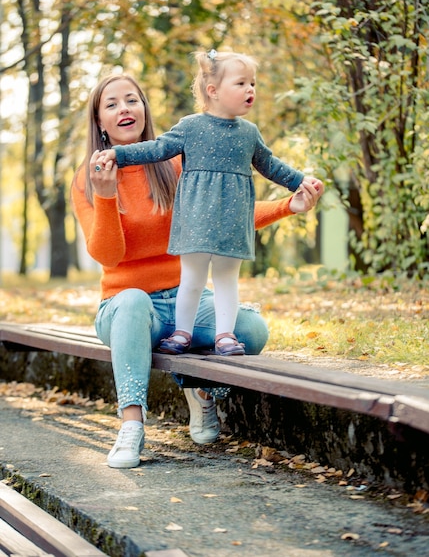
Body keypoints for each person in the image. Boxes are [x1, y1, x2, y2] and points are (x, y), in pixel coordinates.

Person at [71, 72, 324, 470]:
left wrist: (285, 206)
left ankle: (198, 389)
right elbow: (109, 256)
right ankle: (132, 426)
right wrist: (105, 198)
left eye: (132, 100)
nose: (124, 109)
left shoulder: (173, 163)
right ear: (99, 121)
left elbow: (221, 218)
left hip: (183, 300)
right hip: (126, 308)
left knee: (250, 330)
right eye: (112, 104)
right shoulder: (88, 178)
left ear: (144, 109)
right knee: (134, 301)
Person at [99, 50, 321, 359]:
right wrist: (119, 155)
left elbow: (270, 165)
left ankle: (225, 335)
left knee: (226, 281)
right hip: (194, 223)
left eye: (253, 84)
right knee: (191, 279)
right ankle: (182, 332)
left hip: (232, 225)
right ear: (213, 91)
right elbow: (157, 148)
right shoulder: (190, 127)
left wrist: (300, 182)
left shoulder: (249, 133)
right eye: (241, 83)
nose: (250, 90)